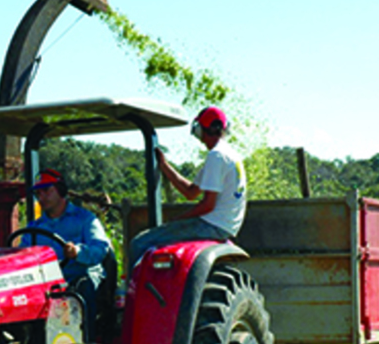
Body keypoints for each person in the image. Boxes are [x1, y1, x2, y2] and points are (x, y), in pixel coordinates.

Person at [129, 106, 247, 271]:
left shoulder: (216, 156)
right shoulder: (230, 154)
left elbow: (208, 205)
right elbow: (191, 192)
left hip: (212, 226)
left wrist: (178, 219)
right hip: (224, 226)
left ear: (203, 130)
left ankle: (131, 292)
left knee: (139, 243)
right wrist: (164, 166)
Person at [25, 168, 111, 319]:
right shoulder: (34, 228)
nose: (42, 197)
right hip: (49, 281)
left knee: (82, 289)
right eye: (38, 193)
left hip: (80, 275)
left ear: (60, 190)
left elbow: (100, 248)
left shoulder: (85, 219)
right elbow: (23, 254)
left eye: (46, 190)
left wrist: (77, 252)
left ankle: (85, 338)